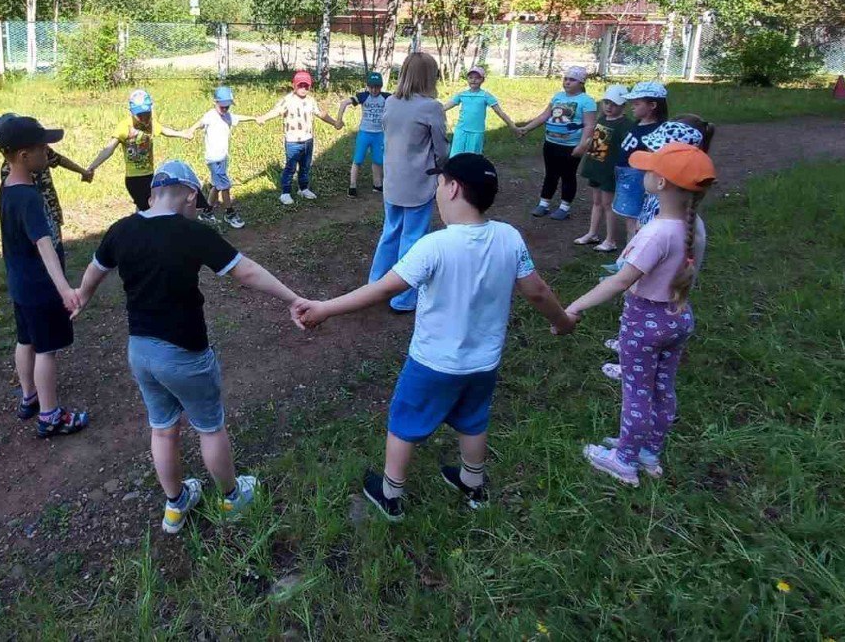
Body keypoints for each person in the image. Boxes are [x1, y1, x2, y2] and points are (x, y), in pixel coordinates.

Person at [292, 153, 575, 519]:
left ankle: (391, 494)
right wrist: (563, 320)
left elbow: (382, 290)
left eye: (440, 183)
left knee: (404, 421)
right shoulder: (509, 237)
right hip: (483, 362)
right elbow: (536, 291)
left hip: (433, 363)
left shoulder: (434, 246)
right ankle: (473, 485)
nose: (438, 190)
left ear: (454, 188)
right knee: (473, 419)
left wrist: (325, 308)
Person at [74, 160, 301, 533]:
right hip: (184, 353)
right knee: (210, 428)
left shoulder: (121, 230)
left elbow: (96, 269)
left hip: (141, 352)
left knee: (162, 429)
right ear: (190, 195)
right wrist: (292, 299)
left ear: (152, 194)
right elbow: (246, 272)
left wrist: (81, 296)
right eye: (196, 205)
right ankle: (231, 498)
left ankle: (176, 506)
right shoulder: (190, 233)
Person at [564, 143, 716, 486]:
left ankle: (625, 460)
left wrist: (576, 305)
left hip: (645, 323)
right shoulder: (695, 227)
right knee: (663, 389)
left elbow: (620, 281)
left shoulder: (656, 234)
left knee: (637, 392)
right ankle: (649, 450)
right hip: (679, 317)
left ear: (661, 184)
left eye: (650, 170)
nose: (644, 173)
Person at [599, 115, 714, 380]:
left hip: (655, 271)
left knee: (640, 312)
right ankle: (627, 342)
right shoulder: (667, 194)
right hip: (649, 259)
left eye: (657, 150)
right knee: (633, 307)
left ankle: (631, 361)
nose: (651, 155)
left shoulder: (671, 207)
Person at [0, 114, 89, 438]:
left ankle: (29, 397)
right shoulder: (30, 197)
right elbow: (44, 244)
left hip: (20, 284)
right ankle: (50, 416)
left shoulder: (7, 187)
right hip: (40, 286)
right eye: (41, 148)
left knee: (26, 340)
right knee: (46, 349)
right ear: (24, 155)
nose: (46, 153)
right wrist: (64, 290)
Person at [369, 52, 449, 313]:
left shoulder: (390, 101)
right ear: (429, 77)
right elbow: (441, 148)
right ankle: (403, 298)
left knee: (390, 231)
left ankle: (376, 285)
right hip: (418, 182)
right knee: (413, 238)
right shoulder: (431, 107)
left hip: (392, 180)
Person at [85, 89, 193, 212]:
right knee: (150, 208)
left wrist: (182, 134)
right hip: (134, 178)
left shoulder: (151, 124)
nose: (144, 118)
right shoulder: (124, 127)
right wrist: (92, 167)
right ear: (131, 112)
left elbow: (164, 131)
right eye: (139, 115)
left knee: (145, 208)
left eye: (147, 113)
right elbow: (108, 149)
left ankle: (139, 227)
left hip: (150, 175)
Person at [518, 65, 598, 221]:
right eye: (566, 79)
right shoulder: (557, 97)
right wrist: (527, 128)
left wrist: (582, 145)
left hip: (571, 146)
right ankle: (544, 203)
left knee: (568, 175)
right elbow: (544, 116)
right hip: (551, 143)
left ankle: (565, 207)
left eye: (572, 80)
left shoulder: (586, 101)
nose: (567, 82)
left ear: (581, 83)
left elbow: (589, 125)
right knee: (551, 174)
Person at [257, 71, 343, 205]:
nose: (303, 89)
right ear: (294, 85)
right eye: (300, 85)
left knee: (305, 166)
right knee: (290, 167)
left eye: (306, 86)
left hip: (308, 140)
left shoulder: (310, 100)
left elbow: (321, 114)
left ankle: (303, 188)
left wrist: (335, 123)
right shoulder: (288, 100)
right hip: (293, 141)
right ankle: (285, 192)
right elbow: (276, 111)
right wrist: (264, 118)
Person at [0, 128, 94, 246]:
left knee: (55, 241)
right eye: (44, 148)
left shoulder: (37, 153)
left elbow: (58, 159)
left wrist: (82, 171)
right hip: (36, 218)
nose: (47, 150)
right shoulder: (15, 184)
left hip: (50, 206)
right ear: (23, 155)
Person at [183, 86, 258, 228]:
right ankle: (229, 213)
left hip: (223, 158)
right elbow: (199, 124)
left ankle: (207, 212)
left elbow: (239, 118)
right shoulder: (210, 116)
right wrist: (190, 131)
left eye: (227, 107)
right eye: (222, 106)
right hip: (214, 159)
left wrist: (255, 118)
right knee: (225, 186)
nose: (224, 109)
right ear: (215, 102)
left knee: (217, 186)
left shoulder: (228, 116)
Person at [610, 81, 669, 251]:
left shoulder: (656, 130)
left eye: (636, 104)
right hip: (625, 174)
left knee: (635, 221)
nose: (632, 108)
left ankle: (630, 260)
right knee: (630, 217)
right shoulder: (638, 123)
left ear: (652, 105)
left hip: (637, 177)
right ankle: (628, 258)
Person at [575, 84, 631, 253]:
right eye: (606, 102)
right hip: (596, 166)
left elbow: (626, 148)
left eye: (614, 104)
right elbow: (596, 142)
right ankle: (592, 233)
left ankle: (611, 240)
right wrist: (587, 144)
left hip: (610, 170)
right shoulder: (602, 120)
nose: (609, 106)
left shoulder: (625, 125)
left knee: (608, 204)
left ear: (623, 106)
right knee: (597, 202)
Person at [441, 66, 518, 156]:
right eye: (471, 77)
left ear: (482, 80)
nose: (473, 80)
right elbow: (445, 107)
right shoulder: (462, 95)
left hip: (476, 132)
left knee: (473, 158)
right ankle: (453, 170)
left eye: (477, 78)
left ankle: (472, 170)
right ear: (467, 79)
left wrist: (513, 126)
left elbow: (500, 112)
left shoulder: (486, 96)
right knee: (456, 155)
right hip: (461, 130)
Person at [337, 71, 388, 197]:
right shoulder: (363, 96)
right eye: (371, 87)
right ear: (367, 86)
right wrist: (339, 120)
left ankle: (377, 184)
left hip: (379, 134)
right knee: (358, 159)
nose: (374, 90)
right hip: (365, 133)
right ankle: (352, 186)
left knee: (378, 160)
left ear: (381, 87)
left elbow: (400, 102)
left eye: (377, 87)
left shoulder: (386, 97)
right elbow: (344, 103)